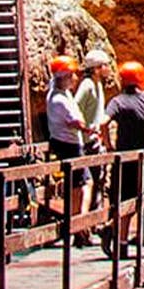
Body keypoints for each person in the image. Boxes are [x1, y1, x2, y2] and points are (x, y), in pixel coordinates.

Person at [100, 61, 144, 252]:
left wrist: (109, 145)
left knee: (123, 199)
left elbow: (103, 123)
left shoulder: (118, 101)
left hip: (124, 161)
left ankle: (120, 243)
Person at [46, 54, 95, 246]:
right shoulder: (59, 99)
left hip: (67, 143)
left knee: (76, 187)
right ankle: (81, 222)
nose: (75, 78)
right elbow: (76, 122)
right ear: (65, 77)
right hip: (70, 145)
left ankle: (75, 226)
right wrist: (89, 128)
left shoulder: (60, 94)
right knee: (87, 183)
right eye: (72, 75)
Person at [75, 48, 112, 209]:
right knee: (90, 181)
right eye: (105, 65)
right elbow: (75, 108)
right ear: (96, 68)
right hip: (86, 142)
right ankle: (87, 221)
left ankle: (94, 220)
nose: (108, 68)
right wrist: (85, 128)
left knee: (98, 180)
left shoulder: (98, 85)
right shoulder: (87, 85)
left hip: (95, 141)